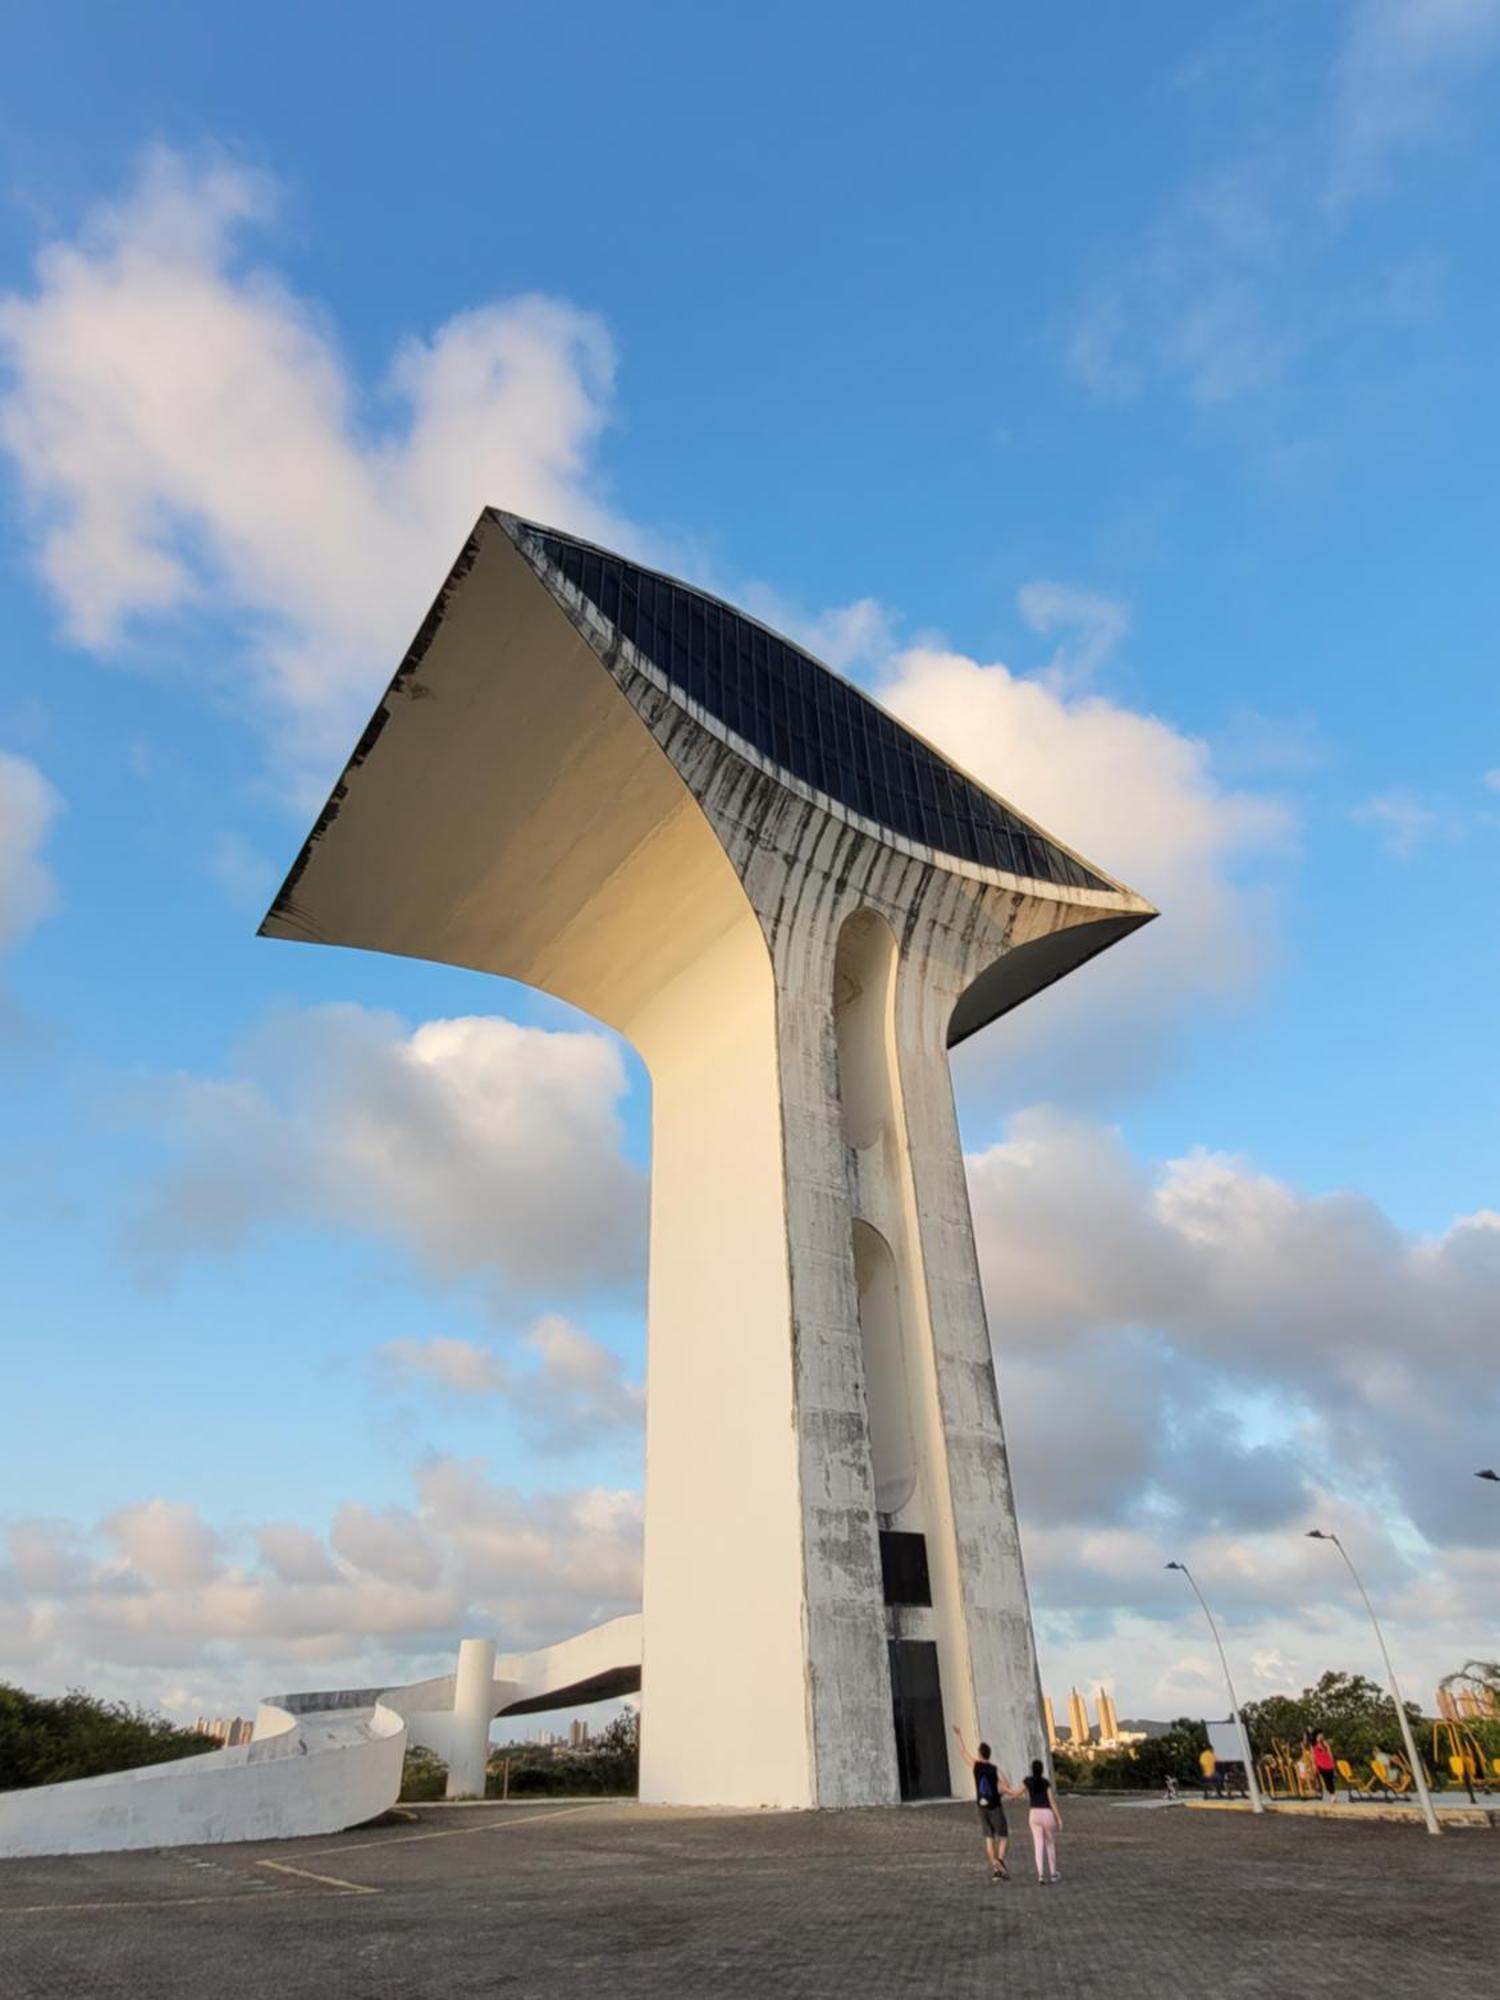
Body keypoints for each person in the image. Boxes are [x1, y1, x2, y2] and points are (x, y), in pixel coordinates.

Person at [951, 1724, 1010, 1879]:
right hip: (995, 1806)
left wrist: (958, 1735)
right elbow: (1006, 1785)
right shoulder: (994, 1769)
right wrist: (999, 1793)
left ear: (979, 1754)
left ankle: (996, 1869)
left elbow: (963, 1752)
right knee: (1003, 1836)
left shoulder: (975, 1766)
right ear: (989, 1755)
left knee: (988, 1838)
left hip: (981, 1806)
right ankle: (1001, 1861)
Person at [1008, 1758, 1063, 1885]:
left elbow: (1015, 1793)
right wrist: (1058, 1818)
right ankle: (1053, 1873)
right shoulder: (1046, 1783)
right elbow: (1051, 1802)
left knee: (1038, 1845)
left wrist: (1004, 1789)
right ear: (1042, 1770)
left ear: (1032, 1769)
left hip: (1034, 1814)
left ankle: (1041, 1875)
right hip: (1047, 1813)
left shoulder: (1028, 1781)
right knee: (1050, 1844)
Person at [1312, 1731, 1337, 1800]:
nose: (1320, 1738)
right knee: (1324, 1780)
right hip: (1320, 1765)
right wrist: (1314, 1765)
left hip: (1329, 1765)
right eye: (1319, 1736)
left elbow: (1330, 1754)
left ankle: (1332, 1794)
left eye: (1321, 1736)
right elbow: (1314, 1756)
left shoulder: (1326, 1745)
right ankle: (1321, 1792)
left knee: (1330, 1780)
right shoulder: (1314, 1746)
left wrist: (1333, 1765)